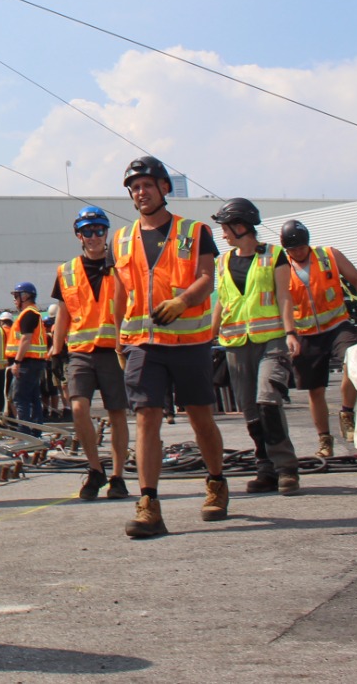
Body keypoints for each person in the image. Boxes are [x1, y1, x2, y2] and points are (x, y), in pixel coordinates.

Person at [110, 156, 225, 539]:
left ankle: (216, 482)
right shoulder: (121, 238)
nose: (140, 192)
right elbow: (121, 290)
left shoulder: (195, 232)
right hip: (143, 344)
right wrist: (116, 336)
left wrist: (183, 302)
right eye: (134, 187)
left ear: (164, 188)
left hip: (189, 341)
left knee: (200, 417)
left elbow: (208, 278)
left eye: (147, 185)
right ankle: (149, 504)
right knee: (146, 416)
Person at [211, 198, 301, 495]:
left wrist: (290, 332)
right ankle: (266, 469)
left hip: (272, 340)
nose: (222, 234)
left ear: (240, 227)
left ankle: (286, 468)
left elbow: (284, 296)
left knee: (267, 400)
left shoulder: (273, 256)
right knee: (250, 410)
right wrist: (208, 338)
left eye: (225, 228)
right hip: (236, 345)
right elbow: (222, 302)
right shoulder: (222, 262)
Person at [280, 219, 357, 456]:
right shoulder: (282, 266)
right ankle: (325, 441)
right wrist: (288, 333)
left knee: (352, 362)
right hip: (305, 334)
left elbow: (356, 279)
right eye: (292, 250)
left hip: (337, 325)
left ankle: (346, 411)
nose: (298, 253)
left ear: (308, 243)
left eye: (301, 248)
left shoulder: (329, 255)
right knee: (315, 390)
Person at [50, 205, 130, 501]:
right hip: (81, 351)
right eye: (88, 231)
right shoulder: (66, 270)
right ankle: (95, 469)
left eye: (99, 230)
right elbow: (63, 314)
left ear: (106, 233)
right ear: (78, 235)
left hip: (115, 350)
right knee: (79, 408)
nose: (94, 236)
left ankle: (118, 476)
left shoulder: (121, 265)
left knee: (117, 413)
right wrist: (56, 350)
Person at [4, 283, 48, 429]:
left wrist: (17, 362)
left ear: (25, 296)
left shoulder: (28, 314)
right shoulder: (33, 313)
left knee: (20, 397)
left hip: (26, 363)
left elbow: (26, 339)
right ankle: (36, 431)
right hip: (33, 362)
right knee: (34, 397)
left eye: (16, 296)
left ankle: (25, 433)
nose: (14, 300)